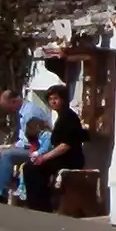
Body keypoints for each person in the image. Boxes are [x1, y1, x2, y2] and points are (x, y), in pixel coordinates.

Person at [21, 81, 86, 214]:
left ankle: (41, 206)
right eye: (50, 99)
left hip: (70, 158)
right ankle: (35, 203)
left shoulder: (69, 117)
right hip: (60, 156)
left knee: (35, 168)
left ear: (63, 99)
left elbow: (66, 145)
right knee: (30, 166)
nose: (53, 102)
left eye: (56, 99)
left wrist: (44, 157)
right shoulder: (61, 117)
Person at [0, 86, 50, 202]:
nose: (9, 111)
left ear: (14, 101)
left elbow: (33, 139)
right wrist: (14, 145)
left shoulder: (31, 112)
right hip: (27, 146)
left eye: (8, 107)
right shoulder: (22, 111)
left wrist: (14, 147)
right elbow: (23, 138)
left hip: (38, 149)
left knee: (7, 155)